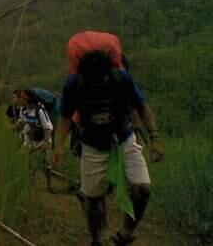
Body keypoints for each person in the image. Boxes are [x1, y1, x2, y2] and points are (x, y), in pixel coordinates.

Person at [53, 50, 164, 246]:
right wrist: (59, 146)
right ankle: (97, 239)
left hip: (123, 139)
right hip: (93, 146)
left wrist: (154, 138)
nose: (96, 84)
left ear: (109, 72)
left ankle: (126, 233)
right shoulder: (74, 85)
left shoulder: (121, 79)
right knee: (94, 199)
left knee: (142, 190)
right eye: (91, 80)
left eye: (100, 80)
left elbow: (141, 106)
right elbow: (64, 117)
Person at [17, 89, 55, 192]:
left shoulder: (40, 111)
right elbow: (23, 122)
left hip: (43, 140)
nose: (19, 99)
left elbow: (48, 127)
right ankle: (31, 187)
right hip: (31, 140)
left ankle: (49, 185)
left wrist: (46, 143)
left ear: (27, 98)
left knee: (47, 165)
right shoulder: (23, 110)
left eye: (21, 97)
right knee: (29, 164)